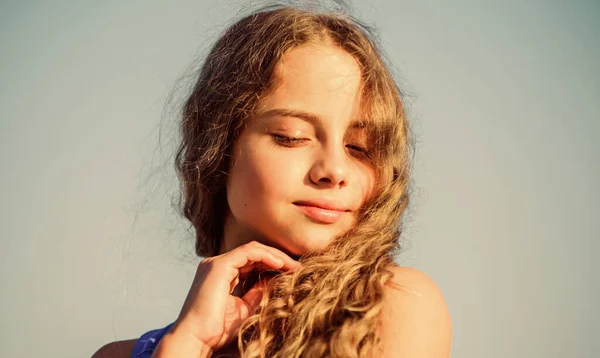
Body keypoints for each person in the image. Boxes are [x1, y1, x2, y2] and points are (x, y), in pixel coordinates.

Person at [92, 3, 452, 358]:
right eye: (291, 136)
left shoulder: (389, 305)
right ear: (217, 147)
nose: (335, 170)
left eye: (359, 148)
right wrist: (186, 346)